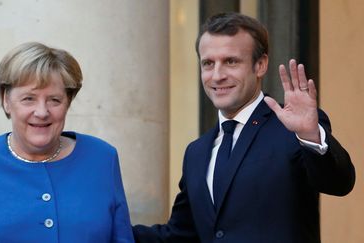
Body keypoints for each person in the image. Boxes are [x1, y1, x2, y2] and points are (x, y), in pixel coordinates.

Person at [133, 12, 355, 243]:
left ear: (260, 65)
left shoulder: (295, 129)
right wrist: (108, 226)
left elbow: (338, 183)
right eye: (208, 63)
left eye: (231, 61)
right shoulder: (196, 153)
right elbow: (179, 236)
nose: (217, 76)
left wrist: (309, 135)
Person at [0, 42, 135, 243]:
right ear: (6, 100)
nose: (42, 112)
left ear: (67, 103)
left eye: (54, 100)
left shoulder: (102, 157)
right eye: (29, 98)